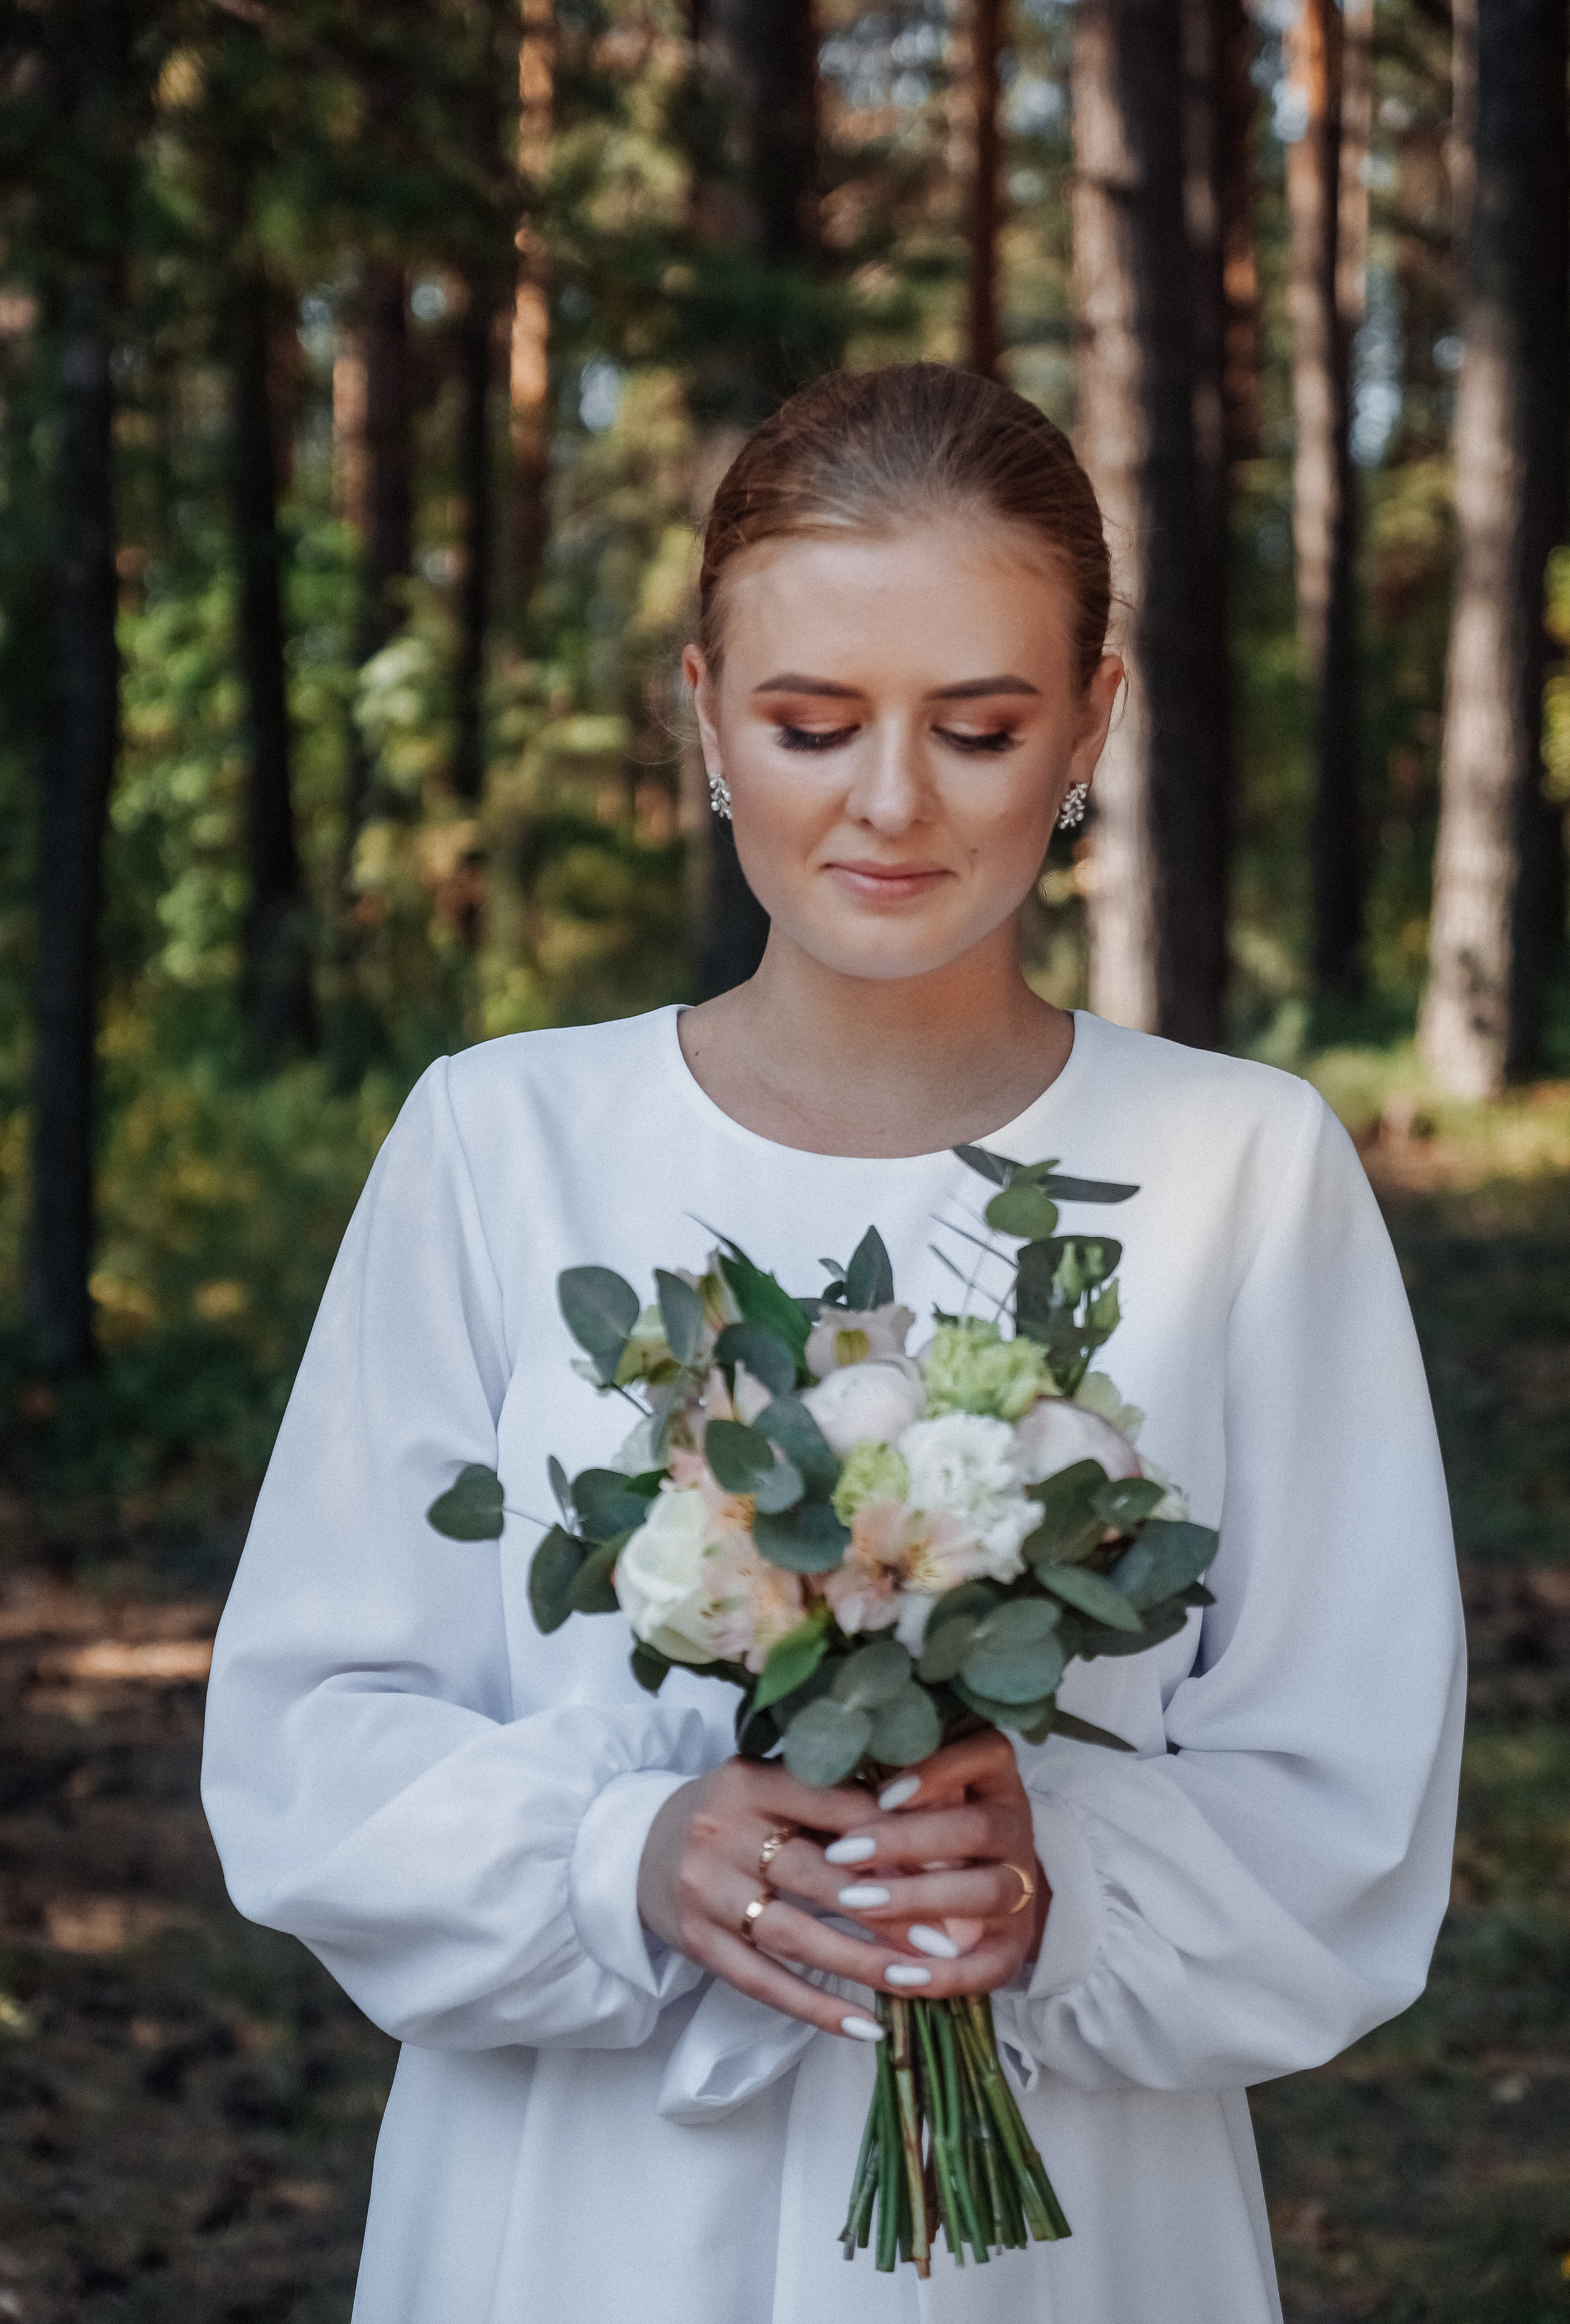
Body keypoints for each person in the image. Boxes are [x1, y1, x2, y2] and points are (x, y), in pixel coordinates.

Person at [201, 362, 1465, 2324]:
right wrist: (626, 1857)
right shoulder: (500, 1141)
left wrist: (1059, 1885)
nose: (889, 802)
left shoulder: (1240, 1169)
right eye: (811, 723)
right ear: (704, 713)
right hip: (578, 2213)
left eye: (977, 727)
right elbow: (312, 1729)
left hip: (1058, 2236)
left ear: (1091, 727)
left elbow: (1349, 1785)